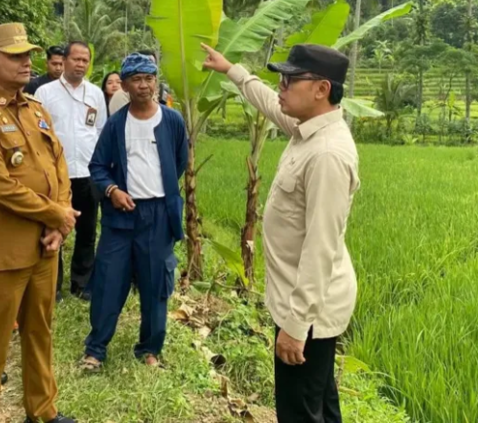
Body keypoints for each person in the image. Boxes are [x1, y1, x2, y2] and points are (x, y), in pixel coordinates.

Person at [202, 43, 359, 423]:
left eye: (290, 79)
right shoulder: (308, 129)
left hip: (307, 311)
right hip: (300, 302)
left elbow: (321, 247)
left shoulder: (326, 155)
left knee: (298, 412)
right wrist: (233, 71)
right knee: (318, 402)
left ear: (322, 89)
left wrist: (295, 326)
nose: (281, 86)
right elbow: (270, 105)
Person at [0, 23, 80, 423]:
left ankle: (42, 411)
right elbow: (0, 187)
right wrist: (56, 214)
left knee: (40, 332)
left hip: (43, 246)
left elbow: (58, 166)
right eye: (15, 56)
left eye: (28, 55)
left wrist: (59, 223)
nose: (27, 62)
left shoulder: (36, 109)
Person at [81, 53, 188, 371]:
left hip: (158, 215)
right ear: (124, 86)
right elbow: (98, 166)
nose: (144, 86)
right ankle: (96, 349)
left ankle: (150, 348)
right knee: (108, 281)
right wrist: (113, 191)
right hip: (121, 216)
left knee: (156, 284)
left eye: (149, 79)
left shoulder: (172, 121)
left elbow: (178, 162)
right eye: (136, 80)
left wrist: (159, 193)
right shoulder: (117, 124)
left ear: (156, 81)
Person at [35, 41, 107, 301]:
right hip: (56, 175)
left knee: (87, 231)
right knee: (54, 228)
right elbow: (38, 133)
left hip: (87, 173)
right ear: (63, 61)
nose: (80, 64)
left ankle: (82, 283)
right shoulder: (45, 93)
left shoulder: (95, 93)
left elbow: (100, 130)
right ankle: (52, 285)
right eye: (76, 59)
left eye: (85, 60)